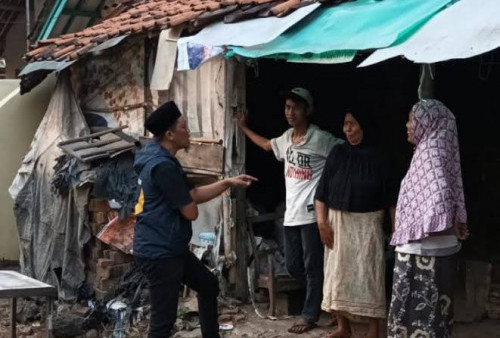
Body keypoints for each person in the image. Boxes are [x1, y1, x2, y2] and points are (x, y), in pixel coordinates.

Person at [133, 101, 257, 338]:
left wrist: (227, 182)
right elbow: (191, 211)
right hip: (160, 252)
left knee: (208, 285)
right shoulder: (162, 167)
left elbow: (191, 195)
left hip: (169, 246)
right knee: (162, 323)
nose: (188, 132)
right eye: (184, 127)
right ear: (170, 134)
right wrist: (188, 203)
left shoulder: (156, 155)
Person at [237, 88, 343, 334]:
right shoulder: (286, 138)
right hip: (291, 215)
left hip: (312, 215)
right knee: (296, 266)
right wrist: (242, 128)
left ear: (308, 110)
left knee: (312, 266)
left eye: (295, 107)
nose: (290, 112)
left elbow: (345, 153)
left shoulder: (321, 139)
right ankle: (324, 300)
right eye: (287, 107)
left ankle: (309, 315)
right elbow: (266, 145)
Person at [387, 99, 470, 338]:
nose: (408, 125)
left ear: (427, 122)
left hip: (422, 254)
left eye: (412, 119)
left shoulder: (430, 154)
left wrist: (428, 221)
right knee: (434, 318)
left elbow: (440, 194)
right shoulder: (436, 149)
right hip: (436, 251)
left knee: (417, 317)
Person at [315, 108, 396, 338]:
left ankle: (373, 329)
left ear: (365, 125)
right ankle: (343, 326)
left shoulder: (381, 157)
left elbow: (392, 199)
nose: (347, 129)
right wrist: (322, 223)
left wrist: (396, 230)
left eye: (352, 123)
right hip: (337, 224)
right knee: (338, 275)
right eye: (345, 124)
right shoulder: (338, 154)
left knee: (369, 276)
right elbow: (321, 194)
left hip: (368, 225)